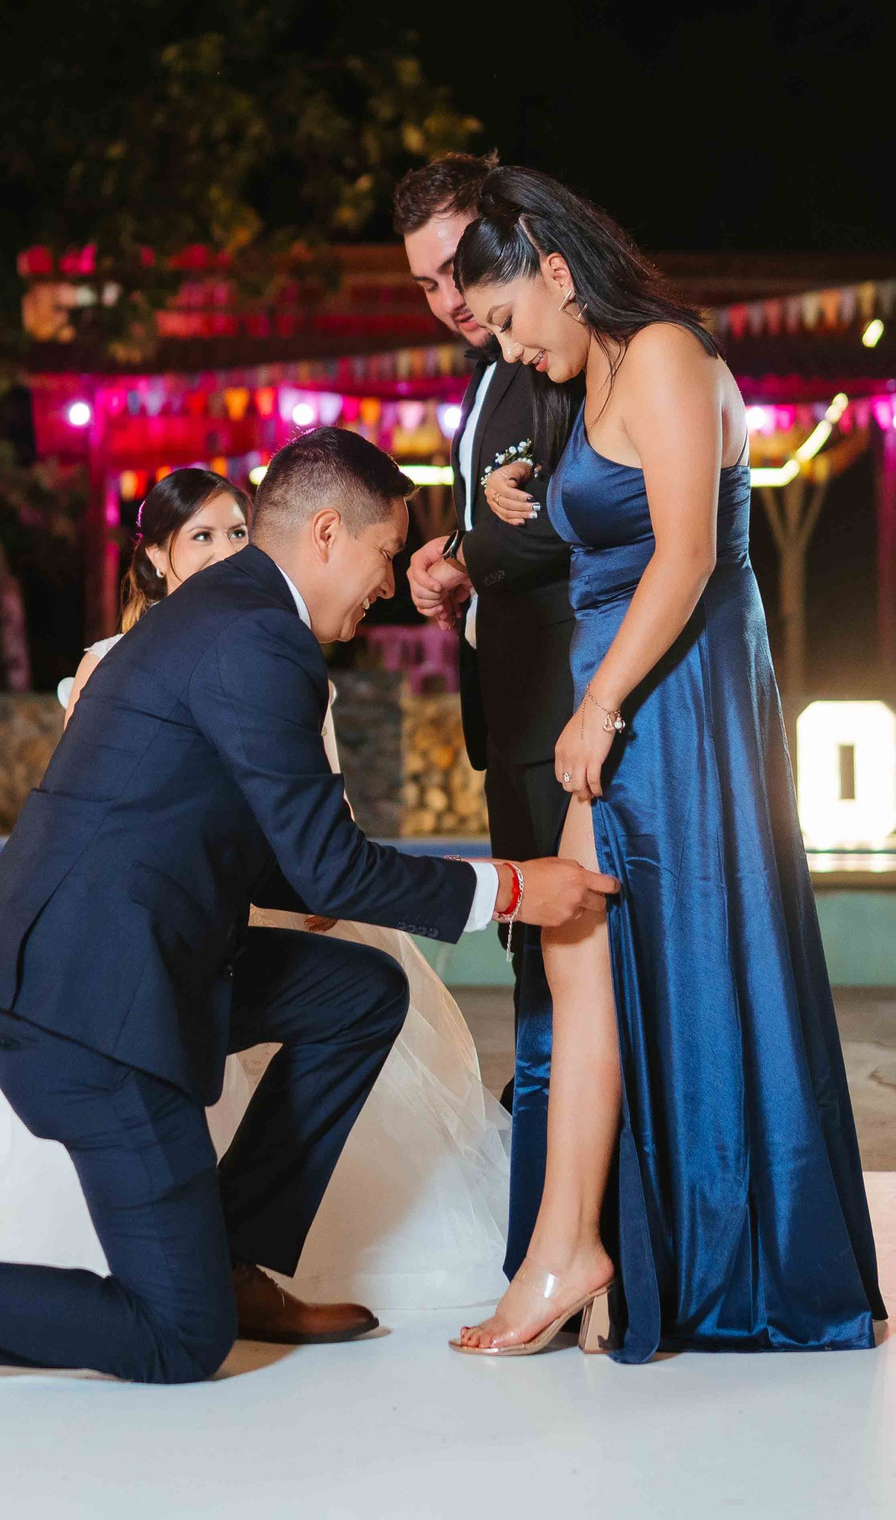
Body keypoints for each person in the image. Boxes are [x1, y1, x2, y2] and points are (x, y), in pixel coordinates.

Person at [0, 428, 621, 1384]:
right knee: (179, 1337)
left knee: (361, 993)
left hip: (135, 959)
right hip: (88, 1011)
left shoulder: (230, 611)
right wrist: (520, 886)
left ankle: (233, 1256)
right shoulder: (258, 635)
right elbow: (328, 866)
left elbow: (211, 821)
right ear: (327, 533)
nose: (384, 584)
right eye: (381, 553)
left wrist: (324, 880)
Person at [449, 166, 885, 1362]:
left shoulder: (664, 359)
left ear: (550, 267)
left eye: (503, 320)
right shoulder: (590, 372)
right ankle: (573, 1250)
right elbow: (597, 541)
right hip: (623, 696)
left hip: (675, 700)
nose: (506, 348)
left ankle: (591, 1254)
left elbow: (686, 555)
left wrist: (596, 708)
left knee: (650, 958)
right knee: (580, 953)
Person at [394, 154, 583, 1278]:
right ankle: (543, 1206)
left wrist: (461, 553)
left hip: (564, 709)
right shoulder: (487, 375)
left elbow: (577, 511)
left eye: (458, 267)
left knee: (562, 956)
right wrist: (449, 550)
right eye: (423, 284)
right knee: (530, 953)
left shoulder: (551, 353)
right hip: (508, 705)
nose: (450, 299)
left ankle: (561, 1212)